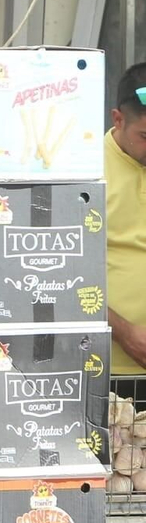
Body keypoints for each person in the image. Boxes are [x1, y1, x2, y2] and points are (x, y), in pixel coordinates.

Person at [108, 62, 146, 379]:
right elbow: (61, 274)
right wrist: (122, 331)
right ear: (117, 119)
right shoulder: (84, 172)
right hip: (105, 369)